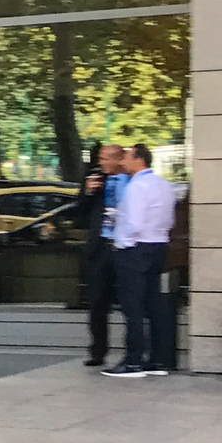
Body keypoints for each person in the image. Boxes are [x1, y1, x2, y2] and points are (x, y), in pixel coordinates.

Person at [103, 144, 177, 378]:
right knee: (154, 305)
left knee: (132, 306)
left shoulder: (137, 187)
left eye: (126, 156)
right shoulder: (164, 185)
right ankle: (158, 360)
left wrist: (120, 243)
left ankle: (133, 360)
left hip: (135, 249)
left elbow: (133, 223)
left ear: (138, 160)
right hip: (158, 246)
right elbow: (170, 219)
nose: (123, 161)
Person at [74, 142, 126, 367]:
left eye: (105, 158)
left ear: (118, 159)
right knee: (97, 302)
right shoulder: (95, 180)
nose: (101, 163)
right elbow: (79, 213)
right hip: (100, 247)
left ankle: (133, 350)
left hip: (124, 245)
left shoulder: (130, 181)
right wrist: (88, 192)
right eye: (100, 159)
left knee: (129, 302)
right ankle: (97, 350)